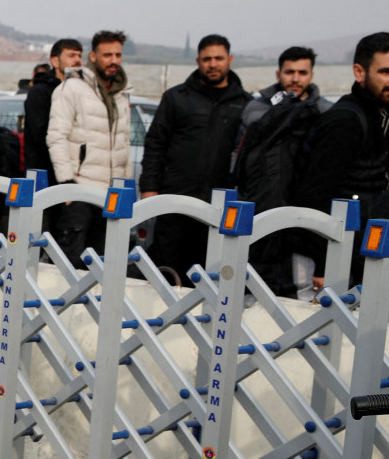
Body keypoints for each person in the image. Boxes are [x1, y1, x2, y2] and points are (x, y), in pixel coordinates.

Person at [294, 31, 389, 291]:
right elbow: (312, 197)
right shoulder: (344, 121)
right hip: (347, 249)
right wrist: (324, 265)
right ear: (359, 72)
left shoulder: (383, 113)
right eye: (387, 72)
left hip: (372, 242)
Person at [140, 34, 250, 283]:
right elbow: (156, 143)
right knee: (166, 272)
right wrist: (149, 188)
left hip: (219, 206)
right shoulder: (176, 98)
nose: (213, 64)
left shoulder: (245, 105)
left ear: (229, 60)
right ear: (198, 61)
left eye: (219, 58)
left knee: (208, 277)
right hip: (175, 200)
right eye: (207, 59)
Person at [233, 46, 332, 298]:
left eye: (302, 72)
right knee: (252, 289)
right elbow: (238, 157)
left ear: (311, 74)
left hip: (305, 214)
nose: (295, 78)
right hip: (258, 208)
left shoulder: (325, 112)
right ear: (279, 73)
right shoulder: (256, 109)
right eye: (290, 72)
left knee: (299, 292)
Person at [46, 30, 133, 268]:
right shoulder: (71, 89)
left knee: (105, 266)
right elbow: (56, 136)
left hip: (113, 194)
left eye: (117, 55)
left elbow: (124, 142)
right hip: (81, 191)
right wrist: (67, 185)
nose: (113, 60)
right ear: (93, 56)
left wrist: (127, 183)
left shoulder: (121, 94)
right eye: (107, 55)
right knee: (71, 265)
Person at [24, 38, 84, 187]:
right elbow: (40, 135)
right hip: (45, 174)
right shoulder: (39, 92)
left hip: (77, 172)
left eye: (79, 56)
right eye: (71, 56)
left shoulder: (84, 91)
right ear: (55, 61)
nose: (77, 60)